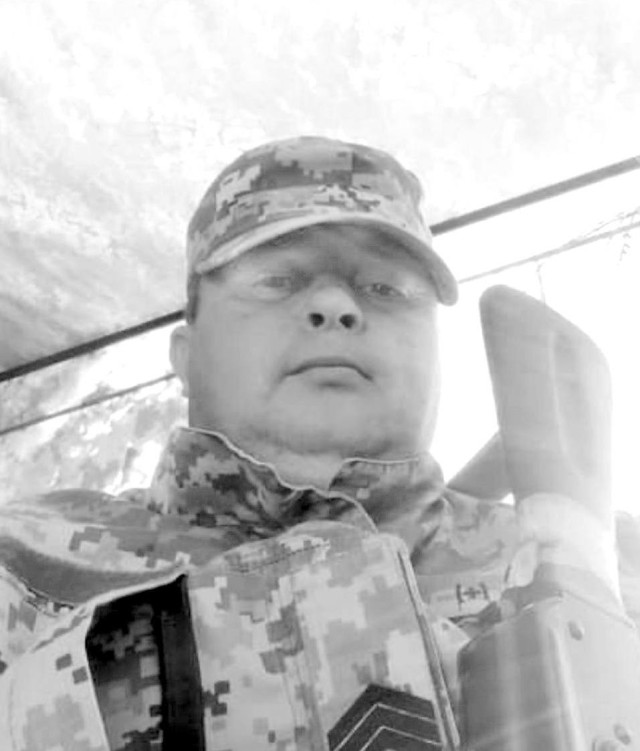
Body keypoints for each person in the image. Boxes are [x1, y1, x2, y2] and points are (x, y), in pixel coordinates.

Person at [0, 136, 637, 751]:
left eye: (386, 288)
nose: (335, 305)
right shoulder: (20, 563)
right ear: (185, 356)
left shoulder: (608, 568)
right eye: (277, 279)